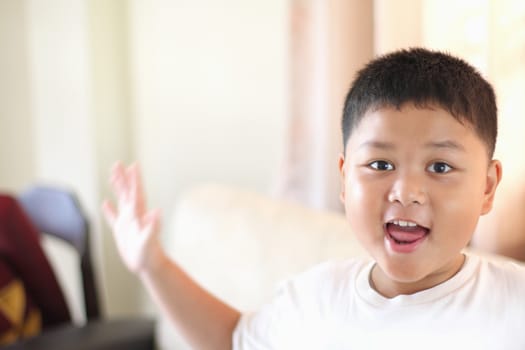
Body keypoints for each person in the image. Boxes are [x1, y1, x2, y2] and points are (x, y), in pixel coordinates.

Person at [102, 48, 525, 349]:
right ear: (344, 180)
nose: (406, 193)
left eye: (440, 167)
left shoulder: (514, 304)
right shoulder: (318, 297)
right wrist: (152, 264)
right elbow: (234, 341)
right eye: (380, 165)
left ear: (487, 187)